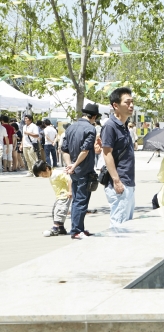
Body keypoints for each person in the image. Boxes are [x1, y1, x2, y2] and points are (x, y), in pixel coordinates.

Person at [61, 103, 98, 239]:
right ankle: (76, 230)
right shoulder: (90, 129)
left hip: (74, 171)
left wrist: (69, 165)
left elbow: (64, 149)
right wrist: (75, 165)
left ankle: (78, 228)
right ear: (94, 116)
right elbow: (85, 150)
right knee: (81, 201)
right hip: (84, 169)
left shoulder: (70, 127)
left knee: (77, 199)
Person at [102, 87, 136, 227]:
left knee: (126, 224)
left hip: (128, 181)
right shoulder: (110, 126)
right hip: (119, 182)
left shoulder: (124, 125)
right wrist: (116, 180)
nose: (131, 105)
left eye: (132, 102)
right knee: (119, 225)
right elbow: (107, 153)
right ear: (115, 105)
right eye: (127, 102)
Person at [33, 160, 72, 236]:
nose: (43, 176)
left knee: (59, 211)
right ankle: (61, 228)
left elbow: (69, 179)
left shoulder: (57, 173)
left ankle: (55, 228)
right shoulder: (51, 174)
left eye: (43, 174)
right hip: (59, 197)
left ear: (47, 168)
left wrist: (70, 191)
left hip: (64, 195)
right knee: (54, 211)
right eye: (41, 176)